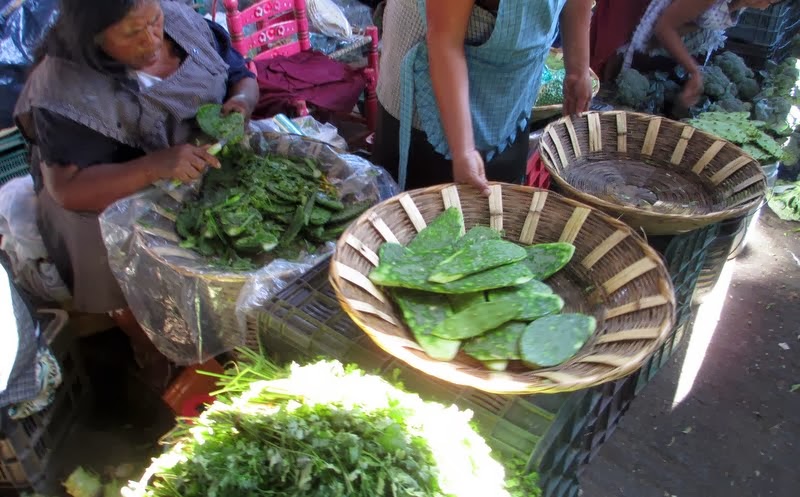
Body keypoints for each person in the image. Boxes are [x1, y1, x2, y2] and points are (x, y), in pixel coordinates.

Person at [13, 0, 259, 390]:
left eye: (155, 21)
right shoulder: (63, 86)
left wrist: (241, 102)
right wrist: (155, 166)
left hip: (191, 161)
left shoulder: (181, 23)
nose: (153, 40)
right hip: (104, 189)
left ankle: (224, 327)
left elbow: (241, 76)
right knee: (109, 252)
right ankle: (148, 347)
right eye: (132, 33)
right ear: (93, 36)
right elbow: (69, 189)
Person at [372, 0, 594, 194]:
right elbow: (444, 41)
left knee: (501, 208)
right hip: (428, 89)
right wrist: (464, 151)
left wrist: (578, 70)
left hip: (512, 93)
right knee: (425, 212)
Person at [590, 0, 783, 107]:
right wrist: (693, 71)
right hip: (641, 19)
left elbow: (691, 23)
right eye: (768, 1)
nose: (765, 6)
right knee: (608, 70)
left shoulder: (740, 3)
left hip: (669, 32)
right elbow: (664, 28)